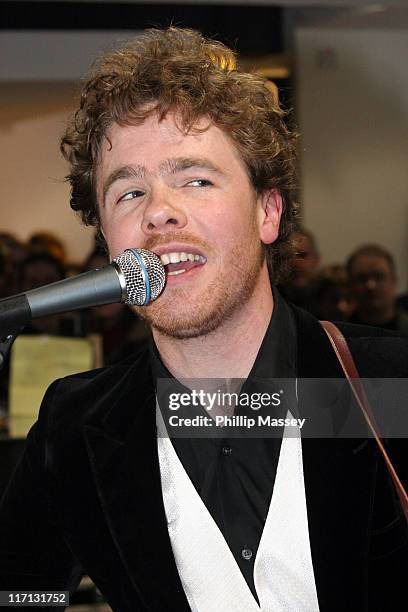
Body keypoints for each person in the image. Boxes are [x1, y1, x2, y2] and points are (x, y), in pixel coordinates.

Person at [0, 28, 407, 612]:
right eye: (128, 192)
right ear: (108, 240)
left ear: (268, 212)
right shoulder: (78, 427)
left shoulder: (388, 383)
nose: (160, 211)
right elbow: (21, 594)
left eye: (195, 179)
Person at [347, 243, 408, 334]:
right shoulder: (338, 337)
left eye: (379, 276)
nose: (371, 286)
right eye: (362, 278)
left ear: (393, 281)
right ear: (351, 284)